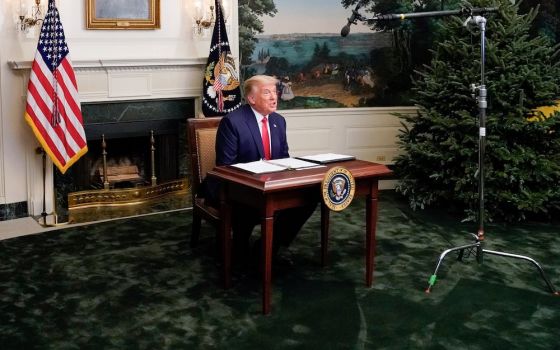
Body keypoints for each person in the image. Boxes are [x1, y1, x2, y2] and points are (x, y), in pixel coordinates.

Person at [202, 75, 317, 262]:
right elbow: (226, 167)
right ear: (252, 99)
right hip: (235, 186)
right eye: (267, 92)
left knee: (309, 196)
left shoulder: (279, 121)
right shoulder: (233, 122)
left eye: (275, 92)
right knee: (249, 207)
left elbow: (284, 158)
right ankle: (240, 250)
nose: (274, 97)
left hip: (270, 185)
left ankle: (268, 246)